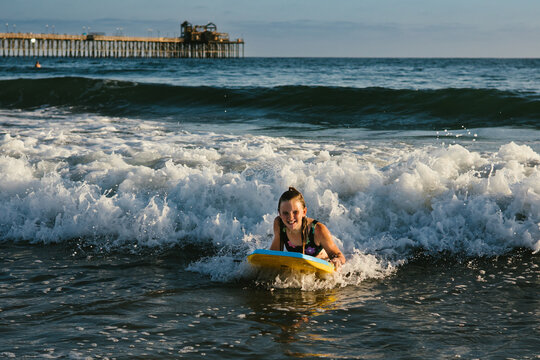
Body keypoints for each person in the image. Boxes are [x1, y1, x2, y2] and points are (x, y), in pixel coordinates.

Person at [270, 187, 346, 269]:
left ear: (304, 212)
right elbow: (274, 256)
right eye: (285, 213)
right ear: (279, 214)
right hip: (300, 267)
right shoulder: (280, 224)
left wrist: (336, 261)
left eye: (295, 212)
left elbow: (340, 256)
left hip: (320, 266)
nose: (290, 217)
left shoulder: (318, 230)